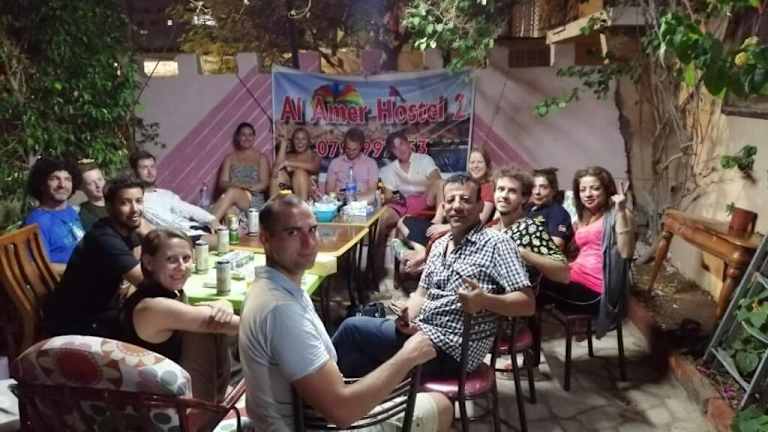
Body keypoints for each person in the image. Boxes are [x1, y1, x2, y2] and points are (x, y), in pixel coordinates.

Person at [239, 193, 453, 431]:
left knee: (358, 339)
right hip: (307, 426)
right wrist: (408, 356)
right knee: (441, 405)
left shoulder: (271, 287)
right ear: (265, 239)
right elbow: (342, 412)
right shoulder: (282, 310)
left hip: (304, 413)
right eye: (292, 233)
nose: (309, 243)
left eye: (312, 230)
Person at [333, 174, 535, 380]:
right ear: (444, 207)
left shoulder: (497, 244)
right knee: (358, 361)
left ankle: (325, 393)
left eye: (465, 200)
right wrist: (407, 316)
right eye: (451, 200)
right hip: (422, 334)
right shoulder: (439, 245)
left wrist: (484, 300)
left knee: (352, 329)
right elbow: (421, 295)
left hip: (454, 352)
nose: (457, 206)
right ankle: (342, 394)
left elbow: (527, 304)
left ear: (479, 206)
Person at [122, 228, 239, 401]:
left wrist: (224, 303)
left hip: (173, 392)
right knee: (212, 331)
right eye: (171, 260)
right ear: (149, 262)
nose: (181, 267)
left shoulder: (161, 293)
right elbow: (236, 325)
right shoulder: (154, 307)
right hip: (161, 405)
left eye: (186, 258)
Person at [43, 176, 145, 338]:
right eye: (125, 203)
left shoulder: (120, 225)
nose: (135, 209)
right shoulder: (105, 238)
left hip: (103, 309)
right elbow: (144, 283)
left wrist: (127, 283)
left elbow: (139, 247)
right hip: (78, 323)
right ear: (109, 207)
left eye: (139, 201)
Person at [541, 166, 635, 336]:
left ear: (607, 190)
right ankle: (523, 337)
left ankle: (519, 338)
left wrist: (621, 210)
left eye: (595, 188)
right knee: (529, 279)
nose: (588, 194)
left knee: (533, 284)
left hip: (595, 292)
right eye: (582, 190)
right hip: (574, 278)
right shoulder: (586, 216)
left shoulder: (620, 213)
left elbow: (626, 253)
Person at [373, 131, 442, 283]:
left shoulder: (424, 160)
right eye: (395, 148)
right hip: (402, 203)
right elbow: (388, 196)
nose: (400, 149)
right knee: (381, 218)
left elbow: (436, 180)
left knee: (439, 184)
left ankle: (438, 219)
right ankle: (375, 271)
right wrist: (395, 196)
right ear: (392, 151)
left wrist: (425, 191)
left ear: (408, 144)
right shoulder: (388, 169)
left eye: (402, 144)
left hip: (425, 200)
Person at [401, 147, 495, 247]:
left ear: (487, 165)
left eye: (480, 162)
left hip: (458, 230)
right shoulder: (467, 183)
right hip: (449, 223)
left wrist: (446, 227)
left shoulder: (488, 188)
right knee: (404, 221)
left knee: (407, 225)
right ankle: (415, 249)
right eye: (472, 162)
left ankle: (419, 250)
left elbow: (481, 219)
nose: (475, 166)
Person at [130, 150, 218, 244]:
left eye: (152, 167)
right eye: (144, 168)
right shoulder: (138, 200)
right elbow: (163, 226)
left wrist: (211, 220)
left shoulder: (165, 194)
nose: (150, 172)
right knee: (222, 240)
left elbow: (187, 209)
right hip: (180, 238)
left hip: (195, 228)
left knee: (225, 232)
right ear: (135, 172)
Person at [23, 158, 85, 275]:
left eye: (67, 179)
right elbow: (38, 267)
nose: (62, 185)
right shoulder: (37, 222)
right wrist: (82, 269)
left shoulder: (70, 211)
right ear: (41, 184)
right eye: (54, 179)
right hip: (67, 281)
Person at [212, 122, 270, 221]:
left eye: (250, 135)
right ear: (238, 137)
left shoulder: (261, 158)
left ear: (254, 137)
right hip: (231, 197)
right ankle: (215, 227)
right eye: (243, 135)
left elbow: (264, 184)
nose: (247, 138)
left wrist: (245, 188)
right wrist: (238, 186)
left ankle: (209, 223)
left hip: (253, 200)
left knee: (232, 192)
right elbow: (222, 183)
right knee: (230, 211)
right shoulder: (229, 158)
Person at [324, 127, 379, 203]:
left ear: (361, 147)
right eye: (348, 148)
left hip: (362, 202)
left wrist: (356, 199)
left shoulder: (371, 163)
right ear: (344, 146)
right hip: (340, 201)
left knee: (373, 196)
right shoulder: (335, 163)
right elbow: (329, 191)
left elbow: (372, 191)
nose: (351, 152)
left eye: (354, 149)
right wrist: (340, 196)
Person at [527, 167, 573, 250]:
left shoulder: (558, 213)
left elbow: (557, 245)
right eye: (534, 187)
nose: (537, 192)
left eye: (543, 187)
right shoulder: (527, 208)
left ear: (553, 190)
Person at [269, 127, 321, 201]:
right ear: (293, 141)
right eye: (297, 139)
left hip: (309, 196)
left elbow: (314, 167)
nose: (300, 142)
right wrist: (284, 143)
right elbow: (276, 169)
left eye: (303, 139)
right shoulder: (289, 155)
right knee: (278, 173)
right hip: (289, 195)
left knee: (300, 173)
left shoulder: (314, 156)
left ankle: (302, 206)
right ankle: (275, 206)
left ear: (309, 142)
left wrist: (288, 163)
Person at [77, 160, 107, 231]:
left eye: (100, 179)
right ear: (82, 188)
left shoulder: (118, 203)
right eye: (90, 183)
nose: (98, 185)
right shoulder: (82, 213)